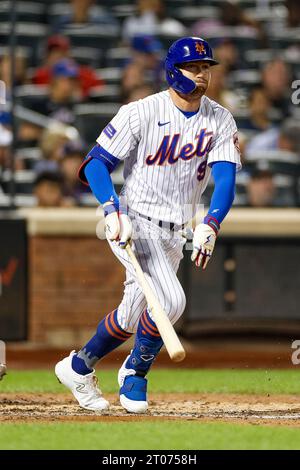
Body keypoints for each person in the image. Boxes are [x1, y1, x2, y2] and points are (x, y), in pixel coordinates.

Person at [55, 37, 241, 413]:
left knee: (130, 313)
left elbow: (226, 179)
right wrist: (111, 210)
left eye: (207, 67)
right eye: (195, 68)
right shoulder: (140, 111)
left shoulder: (220, 118)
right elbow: (94, 164)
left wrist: (211, 223)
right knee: (171, 302)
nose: (203, 75)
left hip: (176, 231)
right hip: (134, 223)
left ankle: (78, 366)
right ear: (174, 71)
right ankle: (135, 372)